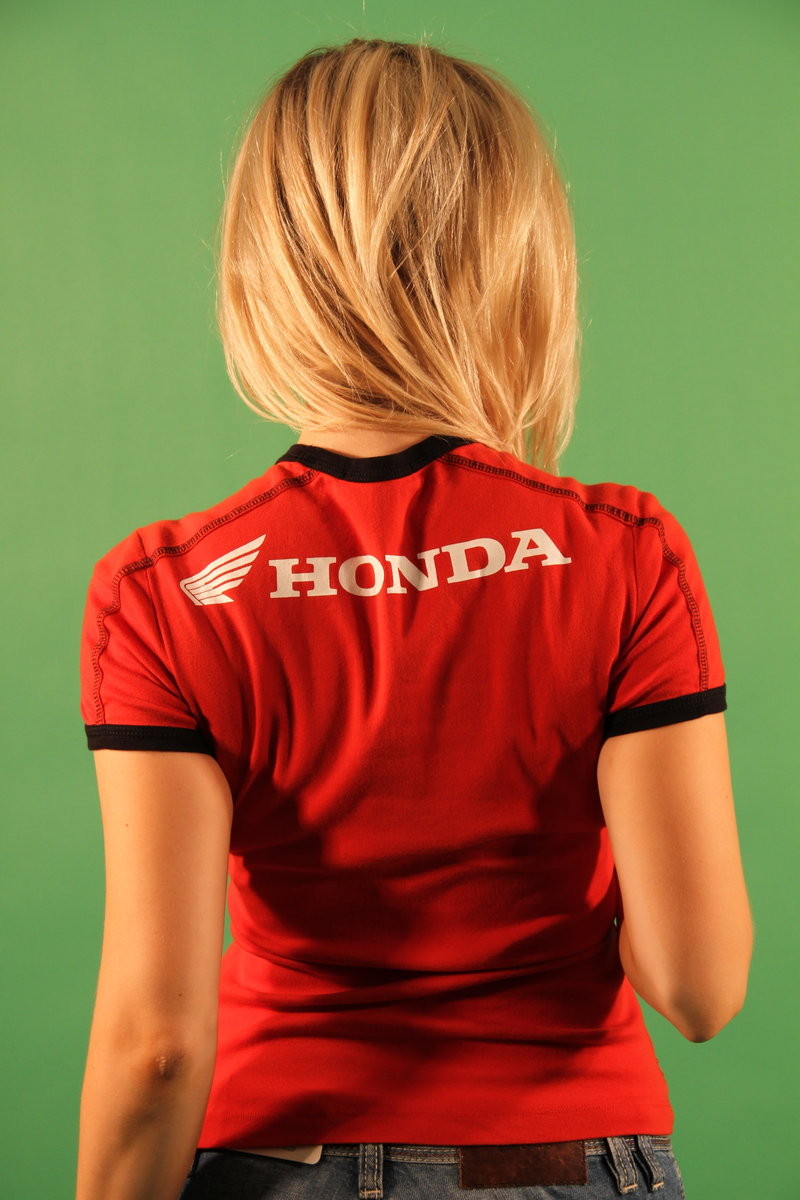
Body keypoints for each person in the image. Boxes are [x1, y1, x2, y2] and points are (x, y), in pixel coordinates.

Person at [75, 37, 753, 1200]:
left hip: (278, 1160)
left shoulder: (164, 589)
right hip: (564, 1159)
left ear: (263, 265)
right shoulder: (621, 551)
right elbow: (697, 986)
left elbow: (157, 1045)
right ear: (518, 259)